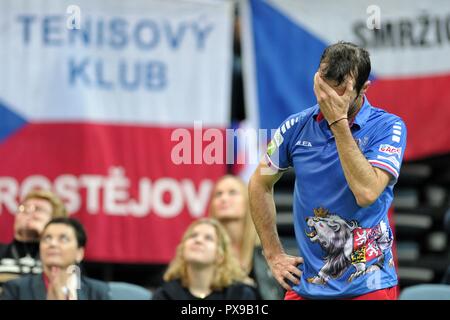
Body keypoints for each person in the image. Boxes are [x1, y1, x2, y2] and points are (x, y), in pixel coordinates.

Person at [248, 41, 407, 300]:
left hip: (367, 284)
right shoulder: (295, 127)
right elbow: (259, 183)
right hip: (308, 285)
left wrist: (338, 122)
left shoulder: (389, 127)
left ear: (363, 89)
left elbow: (367, 192)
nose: (327, 100)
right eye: (323, 89)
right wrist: (273, 253)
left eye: (339, 93)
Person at [209, 174, 283, 299]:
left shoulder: (267, 252)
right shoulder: (205, 251)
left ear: (248, 200)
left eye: (232, 193)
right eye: (218, 194)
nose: (224, 198)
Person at [1, 217, 110, 300]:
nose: (52, 244)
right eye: (47, 238)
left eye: (63, 239)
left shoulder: (97, 292)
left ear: (79, 253)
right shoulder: (16, 289)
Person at [152, 218, 257, 300]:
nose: (198, 240)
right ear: (182, 250)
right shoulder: (165, 295)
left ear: (220, 256)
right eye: (193, 236)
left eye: (208, 238)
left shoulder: (240, 295)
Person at [0, 190, 68, 292]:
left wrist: (48, 236)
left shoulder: (62, 256)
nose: (29, 212)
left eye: (38, 209)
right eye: (24, 208)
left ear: (54, 220)